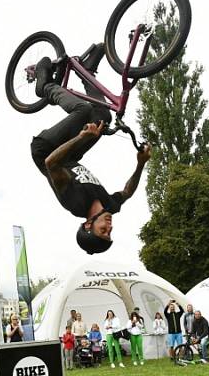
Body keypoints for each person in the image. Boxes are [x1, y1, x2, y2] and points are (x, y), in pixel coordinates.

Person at [29, 53, 151, 255]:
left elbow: (52, 164)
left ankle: (44, 87)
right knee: (103, 116)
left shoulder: (75, 203)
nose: (109, 227)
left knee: (83, 110)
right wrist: (141, 163)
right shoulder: (110, 205)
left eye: (103, 231)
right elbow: (127, 192)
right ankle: (88, 71)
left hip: (46, 150)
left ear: (88, 226)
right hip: (72, 154)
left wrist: (82, 138)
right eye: (110, 232)